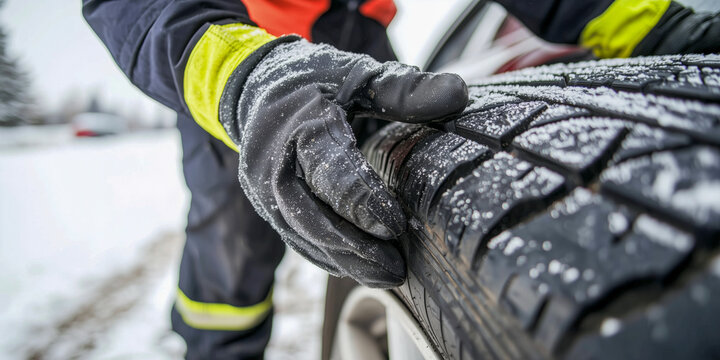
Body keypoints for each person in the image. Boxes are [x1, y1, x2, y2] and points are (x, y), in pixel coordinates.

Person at [82, 0, 719, 358]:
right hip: (229, 46)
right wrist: (243, 75)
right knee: (228, 259)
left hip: (352, 36)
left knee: (382, 211)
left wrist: (645, 23)